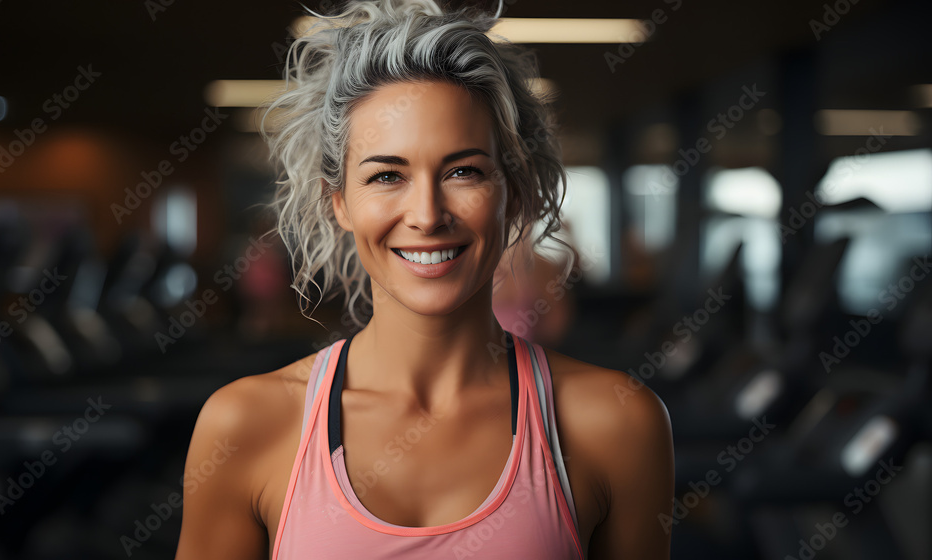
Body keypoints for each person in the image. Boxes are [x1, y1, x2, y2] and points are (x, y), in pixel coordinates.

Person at [175, 1, 674, 558]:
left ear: (514, 191)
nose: (427, 214)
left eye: (464, 171)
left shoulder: (618, 423)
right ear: (338, 201)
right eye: (387, 175)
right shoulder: (244, 424)